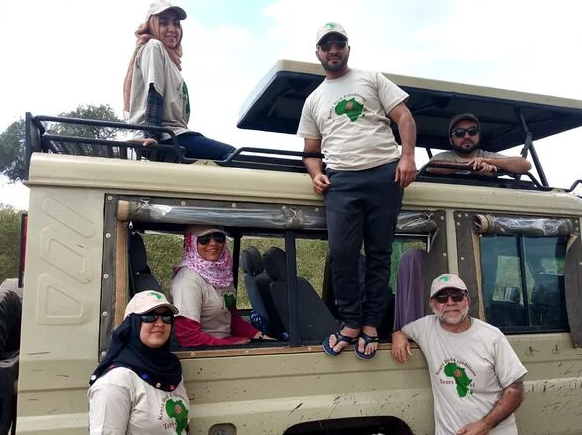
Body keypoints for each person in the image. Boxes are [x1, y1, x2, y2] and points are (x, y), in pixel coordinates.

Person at [297, 22, 418, 360]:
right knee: (342, 254)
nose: (333, 50)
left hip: (384, 174)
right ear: (318, 53)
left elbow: (404, 117)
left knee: (380, 254)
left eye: (339, 43)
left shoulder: (372, 78)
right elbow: (310, 153)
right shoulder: (313, 99)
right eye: (326, 45)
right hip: (342, 181)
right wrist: (316, 174)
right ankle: (350, 321)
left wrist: (407, 157)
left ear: (347, 48)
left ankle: (370, 324)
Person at [392, 274, 527, 435]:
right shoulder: (425, 327)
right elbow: (402, 331)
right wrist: (398, 335)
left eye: (457, 296)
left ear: (467, 301)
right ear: (432, 305)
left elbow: (516, 390)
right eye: (442, 298)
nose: (450, 302)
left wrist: (485, 425)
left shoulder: (492, 337)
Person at [123, 0, 235, 161]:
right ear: (152, 25)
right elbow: (154, 91)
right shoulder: (154, 46)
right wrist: (152, 135)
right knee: (232, 154)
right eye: (164, 23)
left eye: (176, 24)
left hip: (173, 134)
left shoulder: (172, 61)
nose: (172, 29)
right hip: (164, 137)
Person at [87, 291, 189, 434]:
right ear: (133, 323)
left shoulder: (171, 369)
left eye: (166, 317)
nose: (160, 323)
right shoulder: (116, 381)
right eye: (149, 316)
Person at [170, 225, 275, 346]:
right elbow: (188, 337)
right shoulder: (187, 281)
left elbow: (233, 320)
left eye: (219, 238)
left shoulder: (223, 277)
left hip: (223, 345)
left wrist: (263, 338)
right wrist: (230, 345)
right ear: (192, 243)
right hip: (206, 351)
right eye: (204, 239)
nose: (213, 243)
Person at [427, 113, 532, 175]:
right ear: (451, 140)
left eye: (472, 131)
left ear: (479, 136)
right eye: (460, 133)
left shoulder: (487, 156)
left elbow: (525, 165)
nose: (467, 136)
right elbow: (431, 168)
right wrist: (473, 165)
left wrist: (488, 161)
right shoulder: (442, 158)